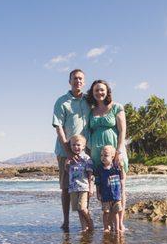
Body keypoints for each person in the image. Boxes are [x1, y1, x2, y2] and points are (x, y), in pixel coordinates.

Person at [52, 69, 91, 230]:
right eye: (75, 78)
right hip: (64, 152)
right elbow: (58, 127)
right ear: (70, 81)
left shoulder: (89, 100)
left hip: (86, 152)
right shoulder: (62, 101)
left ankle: (85, 223)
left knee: (86, 185)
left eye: (81, 78)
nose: (78, 81)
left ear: (84, 81)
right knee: (66, 187)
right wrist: (67, 151)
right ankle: (66, 221)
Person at [86, 79, 129, 226]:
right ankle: (109, 223)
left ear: (107, 91)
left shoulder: (117, 107)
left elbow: (122, 130)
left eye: (102, 89)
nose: (99, 92)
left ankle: (120, 223)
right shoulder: (91, 111)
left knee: (120, 186)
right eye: (96, 90)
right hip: (98, 153)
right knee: (104, 186)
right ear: (92, 93)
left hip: (115, 151)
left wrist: (119, 151)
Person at [95, 145, 126, 232]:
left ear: (112, 157)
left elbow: (122, 177)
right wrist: (98, 193)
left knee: (115, 212)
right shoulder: (99, 169)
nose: (103, 157)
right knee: (106, 212)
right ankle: (106, 227)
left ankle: (116, 228)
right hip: (105, 195)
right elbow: (97, 183)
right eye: (101, 155)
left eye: (106, 155)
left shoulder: (116, 168)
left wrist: (122, 167)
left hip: (116, 195)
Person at [66, 134, 94, 231]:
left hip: (83, 186)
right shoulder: (70, 158)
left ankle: (90, 222)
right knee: (78, 209)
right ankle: (83, 227)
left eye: (78, 145)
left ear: (83, 146)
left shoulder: (86, 159)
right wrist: (67, 165)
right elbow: (68, 171)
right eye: (73, 145)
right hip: (73, 187)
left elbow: (90, 174)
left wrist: (91, 187)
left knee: (82, 207)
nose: (76, 147)